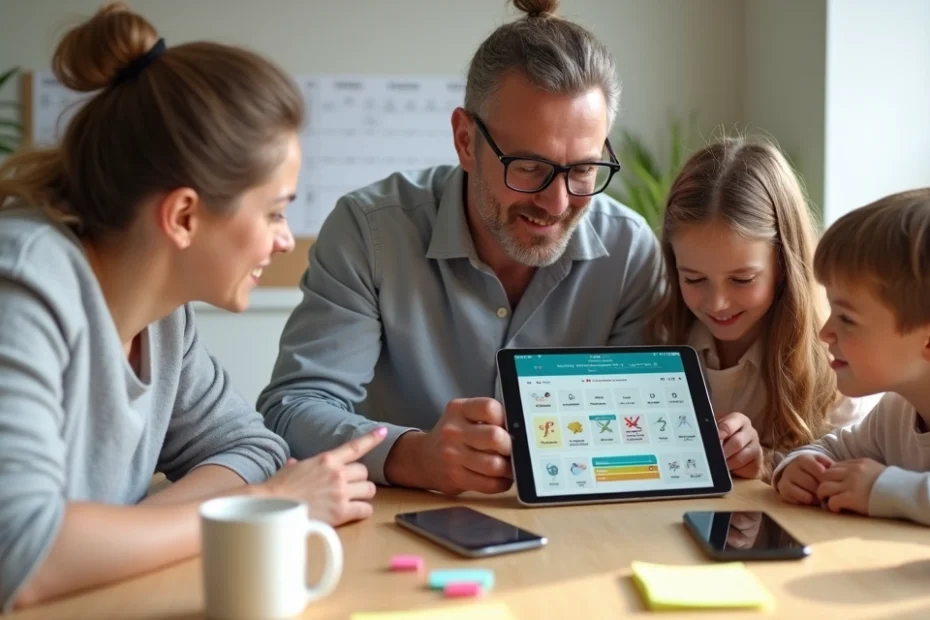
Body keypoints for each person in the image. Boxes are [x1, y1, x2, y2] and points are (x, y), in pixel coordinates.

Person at [0, 3, 385, 612]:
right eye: (275, 211)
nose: (284, 239)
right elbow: (24, 554)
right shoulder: (24, 284)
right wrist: (266, 509)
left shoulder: (164, 318)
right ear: (183, 216)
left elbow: (253, 447)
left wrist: (117, 533)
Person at [258, 0, 664, 496]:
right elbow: (292, 408)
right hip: (394, 533)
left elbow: (641, 427)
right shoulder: (370, 233)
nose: (557, 202)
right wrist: (413, 457)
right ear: (465, 139)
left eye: (582, 169)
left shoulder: (630, 252)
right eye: (529, 166)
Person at [647, 136, 875, 480]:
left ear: (785, 264)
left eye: (742, 279)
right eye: (693, 279)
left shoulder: (836, 364)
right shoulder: (661, 338)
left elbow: (851, 478)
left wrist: (766, 465)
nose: (717, 304)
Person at [774, 190, 930, 526]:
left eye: (846, 319)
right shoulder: (896, 412)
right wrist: (802, 466)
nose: (825, 332)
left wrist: (885, 487)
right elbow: (832, 450)